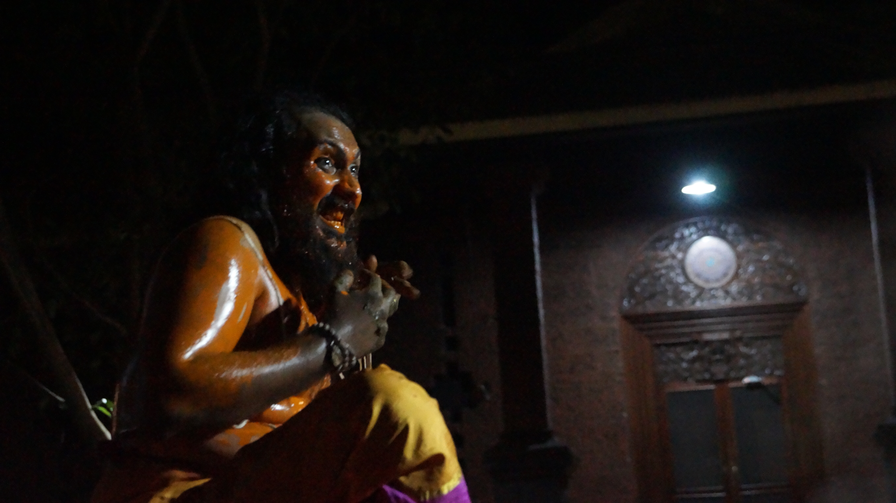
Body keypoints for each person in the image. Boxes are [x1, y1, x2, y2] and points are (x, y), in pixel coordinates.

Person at [90, 91, 470, 503]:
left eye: (355, 170)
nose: (352, 190)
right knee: (394, 407)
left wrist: (357, 323)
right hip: (179, 494)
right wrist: (336, 340)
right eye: (327, 163)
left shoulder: (306, 301)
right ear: (267, 173)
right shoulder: (227, 241)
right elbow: (171, 395)